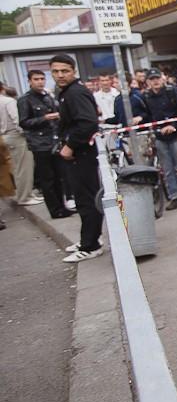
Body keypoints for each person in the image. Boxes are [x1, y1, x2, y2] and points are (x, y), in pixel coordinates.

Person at [50, 55, 104, 262]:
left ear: (73, 71)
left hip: (81, 154)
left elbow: (88, 123)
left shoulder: (75, 92)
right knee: (83, 199)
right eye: (55, 71)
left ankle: (91, 245)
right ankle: (88, 239)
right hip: (77, 153)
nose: (60, 75)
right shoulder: (67, 92)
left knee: (86, 200)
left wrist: (70, 146)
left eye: (64, 71)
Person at [17, 70, 73, 218]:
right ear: (30, 81)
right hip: (39, 143)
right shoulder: (25, 100)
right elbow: (24, 122)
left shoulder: (47, 97)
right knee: (47, 179)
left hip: (53, 141)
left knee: (58, 177)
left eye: (42, 79)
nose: (40, 82)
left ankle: (62, 206)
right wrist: (45, 118)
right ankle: (55, 210)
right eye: (36, 79)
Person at [144, 68, 177, 210]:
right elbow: (147, 116)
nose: (155, 81)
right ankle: (174, 196)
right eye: (152, 79)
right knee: (167, 169)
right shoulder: (146, 97)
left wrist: (174, 125)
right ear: (148, 82)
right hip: (160, 137)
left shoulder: (173, 92)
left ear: (163, 79)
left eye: (157, 78)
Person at [0, 81, 40, 206]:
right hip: (15, 136)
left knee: (16, 168)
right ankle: (25, 197)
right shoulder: (8, 101)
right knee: (24, 167)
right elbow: (17, 120)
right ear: (2, 88)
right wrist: (26, 132)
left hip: (4, 136)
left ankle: (26, 194)